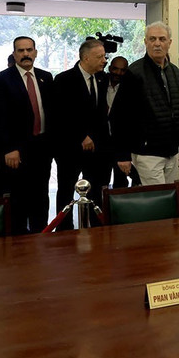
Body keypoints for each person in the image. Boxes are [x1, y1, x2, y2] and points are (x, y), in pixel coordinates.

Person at [112, 22, 179, 185]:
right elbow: (118, 116)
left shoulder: (175, 72)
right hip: (147, 153)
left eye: (162, 39)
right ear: (145, 42)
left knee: (171, 201)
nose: (157, 43)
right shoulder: (134, 73)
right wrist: (123, 155)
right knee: (158, 203)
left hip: (171, 152)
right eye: (152, 39)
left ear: (169, 42)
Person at [0, 36, 54, 234]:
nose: (26, 54)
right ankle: (15, 247)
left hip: (41, 150)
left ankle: (40, 240)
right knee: (16, 201)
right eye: (21, 50)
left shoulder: (46, 77)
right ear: (14, 54)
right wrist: (8, 148)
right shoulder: (1, 80)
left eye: (29, 50)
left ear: (35, 52)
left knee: (40, 198)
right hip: (15, 152)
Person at [51, 38, 110, 229]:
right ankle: (64, 229)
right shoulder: (63, 80)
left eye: (104, 56)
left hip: (97, 148)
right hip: (70, 148)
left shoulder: (102, 79)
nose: (104, 60)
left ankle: (96, 228)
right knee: (66, 190)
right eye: (100, 57)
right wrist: (81, 136)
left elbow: (101, 113)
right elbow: (60, 115)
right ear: (85, 57)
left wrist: (95, 137)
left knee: (97, 191)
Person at [106, 56, 140, 189]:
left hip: (122, 144)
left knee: (121, 183)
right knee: (100, 182)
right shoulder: (101, 83)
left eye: (122, 70)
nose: (118, 73)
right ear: (110, 68)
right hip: (102, 144)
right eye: (115, 69)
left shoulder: (131, 88)